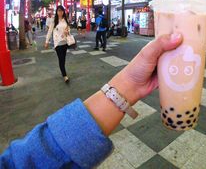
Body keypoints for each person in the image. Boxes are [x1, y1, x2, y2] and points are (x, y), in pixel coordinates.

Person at [0, 33, 183, 168]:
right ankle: (64, 72)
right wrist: (130, 84)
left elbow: (22, 162)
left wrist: (131, 85)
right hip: (59, 45)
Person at [45, 5, 70, 83]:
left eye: (61, 11)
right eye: (59, 11)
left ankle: (63, 71)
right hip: (57, 43)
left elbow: (68, 29)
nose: (60, 12)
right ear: (57, 12)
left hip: (65, 42)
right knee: (61, 59)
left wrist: (68, 31)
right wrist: (46, 41)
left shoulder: (65, 20)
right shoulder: (54, 21)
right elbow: (49, 31)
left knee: (63, 59)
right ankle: (65, 75)